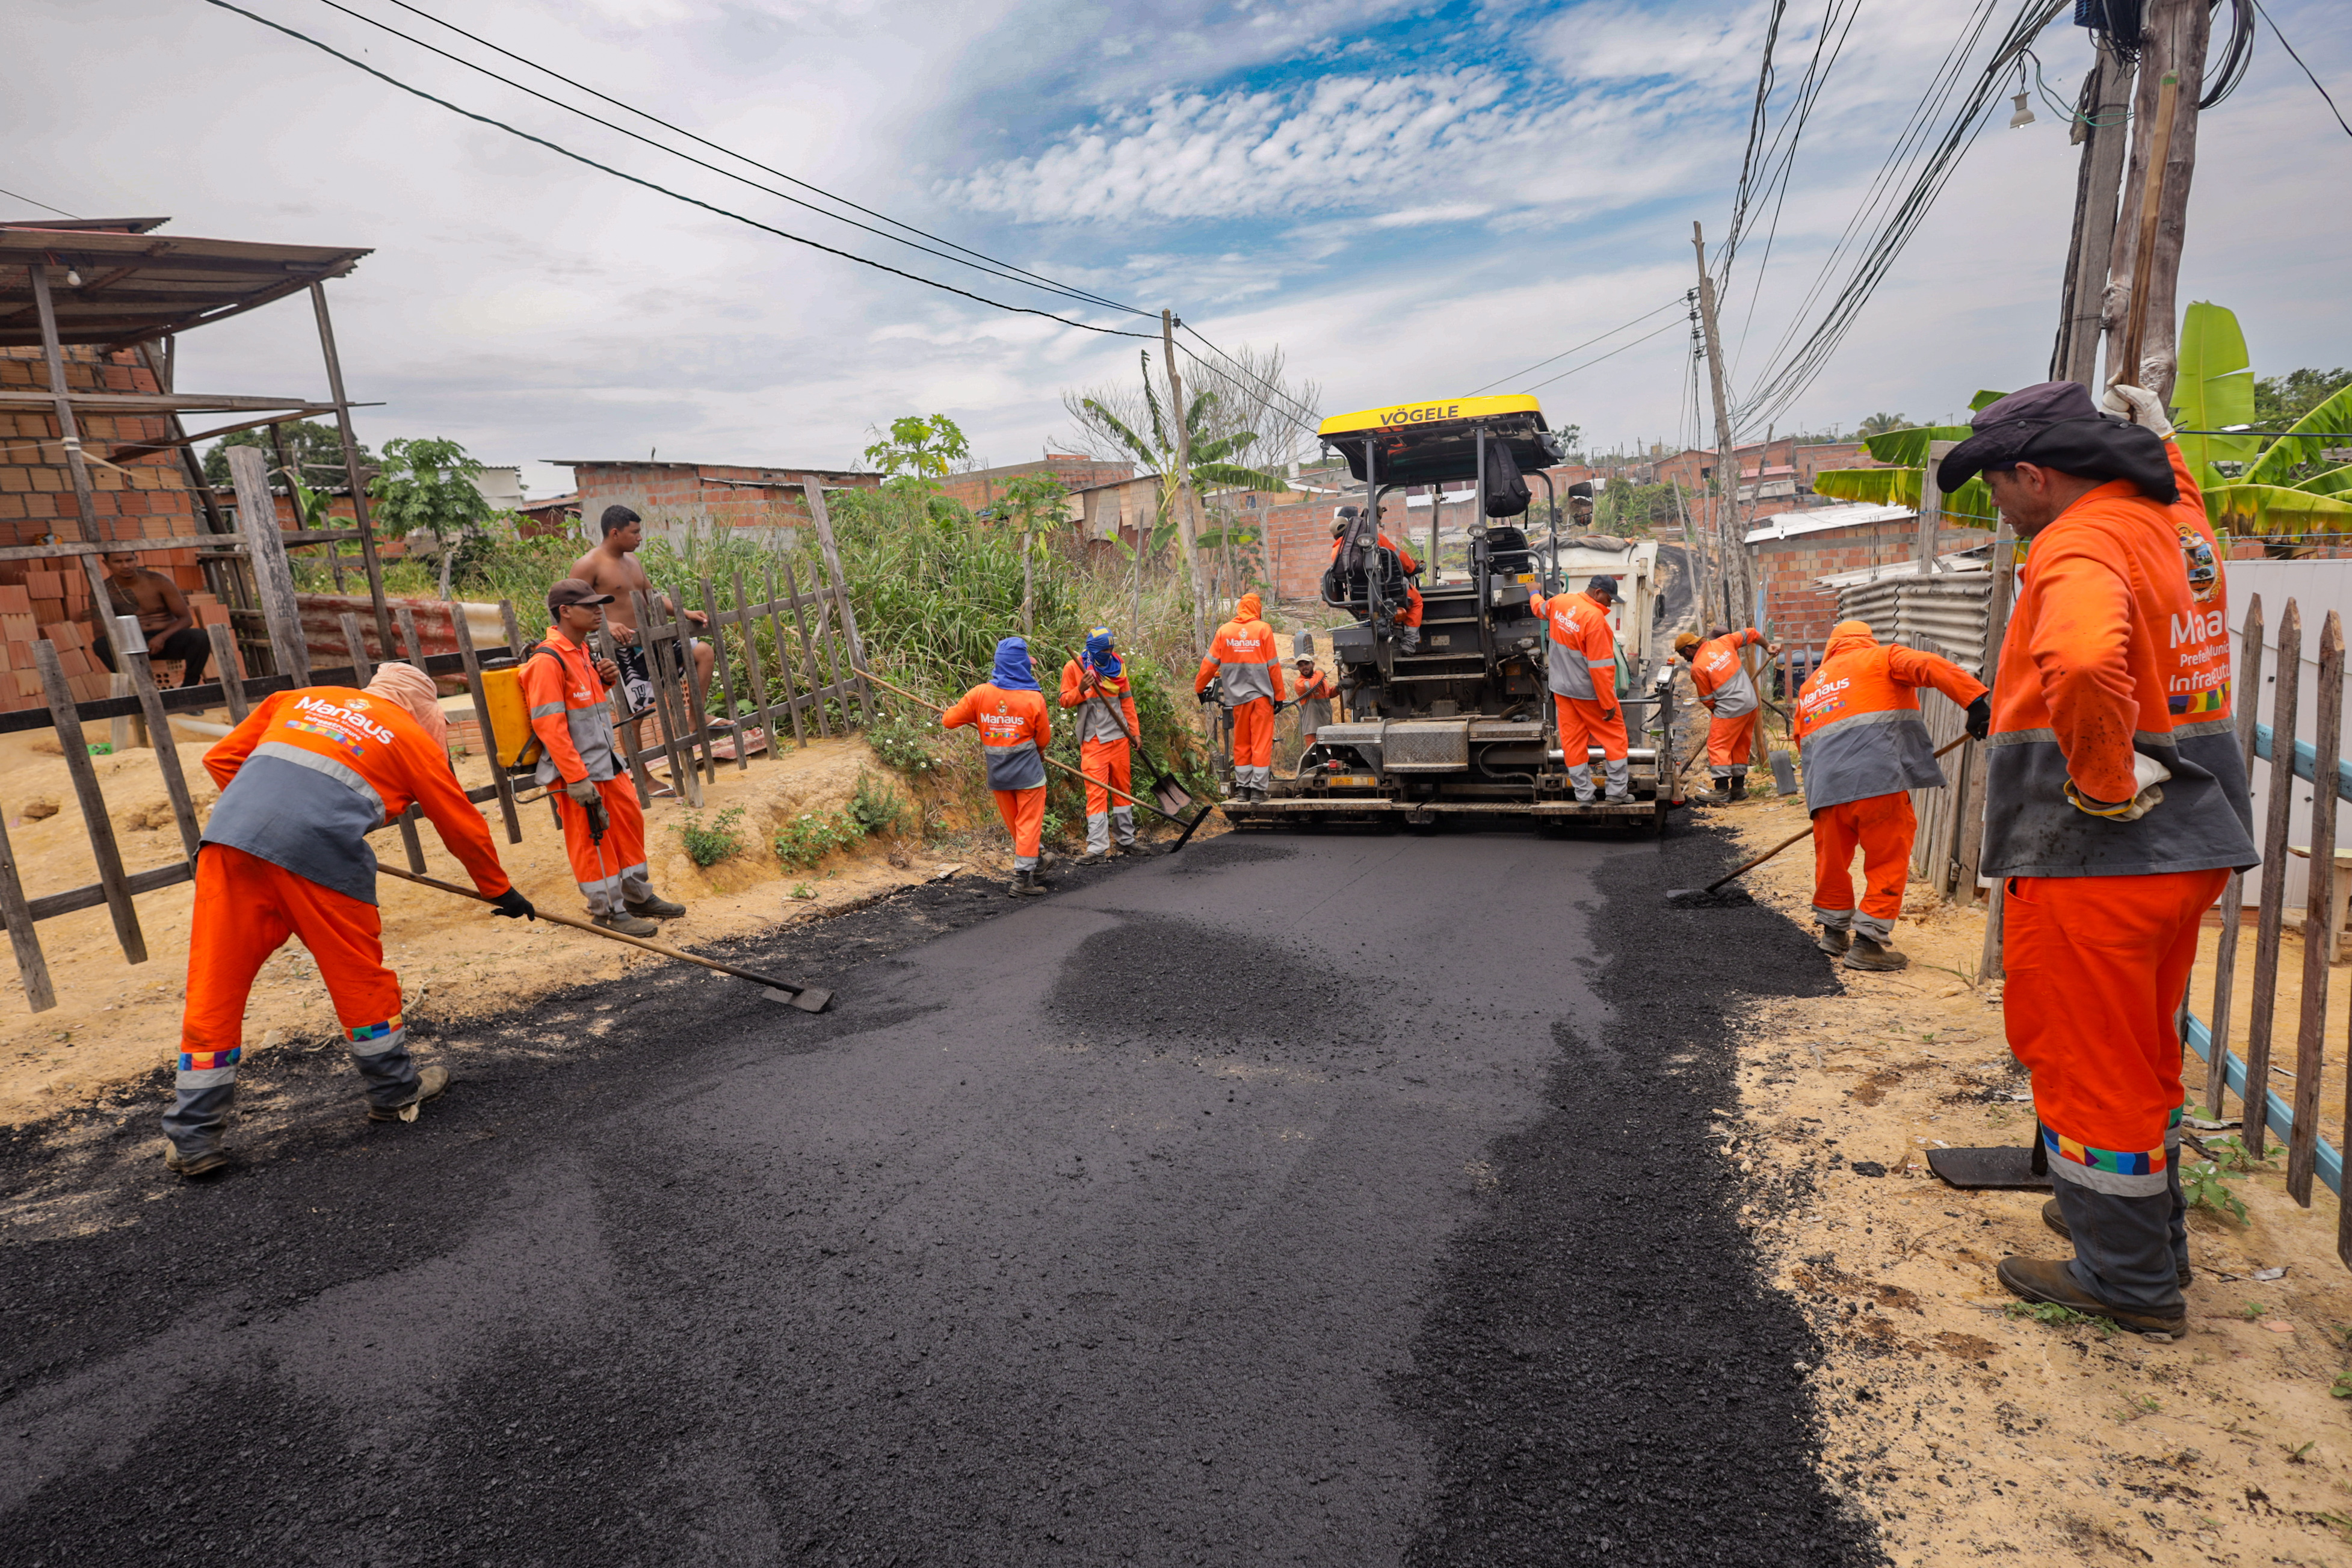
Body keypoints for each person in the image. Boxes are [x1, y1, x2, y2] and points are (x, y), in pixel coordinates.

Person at [1939, 379, 2257, 1338]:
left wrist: (2107, 781)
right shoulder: (2175, 524)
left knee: (2085, 1059)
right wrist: (2161, 439)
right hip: (2188, 843)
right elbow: (2183, 497)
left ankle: (2124, 1278)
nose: (1995, 507)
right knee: (2144, 1047)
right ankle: (2143, 1229)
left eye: (1996, 488)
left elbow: (2081, 663)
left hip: (2103, 858)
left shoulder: (2075, 544)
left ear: (2035, 477)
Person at [160, 661, 534, 1178]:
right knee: (357, 974)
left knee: (214, 986)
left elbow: (222, 757)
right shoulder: (408, 734)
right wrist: (500, 890)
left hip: (230, 844)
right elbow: (460, 824)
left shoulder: (296, 699)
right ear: (422, 709)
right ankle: (393, 1091)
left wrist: (275, 818)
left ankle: (194, 1139)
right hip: (321, 856)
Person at [1792, 620, 1987, 972]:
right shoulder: (1882, 658)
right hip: (1877, 781)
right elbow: (1930, 666)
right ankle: (1868, 943)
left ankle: (1834, 934)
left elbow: (1800, 740)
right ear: (1867, 641)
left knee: (1831, 861)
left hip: (1825, 789)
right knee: (1888, 857)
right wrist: (1975, 701)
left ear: (1833, 647)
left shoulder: (1809, 687)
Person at [523, 578, 689, 936]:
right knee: (593, 839)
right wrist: (576, 778)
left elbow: (583, 707)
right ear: (565, 612)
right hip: (579, 771)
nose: (599, 611)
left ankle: (637, 897)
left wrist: (606, 682)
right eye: (590, 606)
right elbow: (550, 727)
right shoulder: (547, 660)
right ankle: (608, 911)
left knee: (629, 825)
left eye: (600, 604)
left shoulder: (583, 651)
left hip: (606, 762)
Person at [570, 505, 721, 773]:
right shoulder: (588, 564)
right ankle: (642, 776)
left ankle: (695, 719)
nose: (640, 538)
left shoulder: (633, 562)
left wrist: (685, 612)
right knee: (634, 718)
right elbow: (572, 605)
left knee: (704, 653)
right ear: (615, 533)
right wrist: (607, 622)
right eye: (635, 532)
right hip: (620, 650)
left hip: (652, 642)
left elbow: (651, 596)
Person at [945, 637, 1054, 895]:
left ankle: (1036, 859)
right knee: (1028, 823)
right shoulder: (1033, 698)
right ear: (1021, 665)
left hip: (999, 775)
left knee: (1018, 825)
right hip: (1028, 775)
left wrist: (976, 715)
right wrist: (1038, 752)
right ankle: (1023, 880)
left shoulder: (980, 694)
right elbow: (1043, 739)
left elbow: (949, 721)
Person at [1531, 574, 1629, 803]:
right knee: (1616, 738)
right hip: (1589, 693)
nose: (1609, 604)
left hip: (1562, 690)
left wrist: (1533, 592)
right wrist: (1608, 704)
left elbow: (1539, 609)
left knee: (1573, 742)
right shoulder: (1594, 619)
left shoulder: (1560, 602)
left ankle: (1584, 795)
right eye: (1608, 598)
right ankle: (1617, 793)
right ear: (1597, 592)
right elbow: (1600, 669)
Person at [1058, 626, 1142, 862]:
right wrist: (1081, 688)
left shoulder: (1118, 665)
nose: (1109, 653)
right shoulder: (1074, 667)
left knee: (1123, 790)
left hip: (1120, 738)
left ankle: (1126, 840)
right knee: (1096, 793)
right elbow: (1064, 700)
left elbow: (1127, 702)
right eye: (1104, 650)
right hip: (1093, 741)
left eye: (1111, 649)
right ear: (1094, 650)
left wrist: (1135, 733)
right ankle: (1097, 848)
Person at [1195, 592, 1285, 801]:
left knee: (1242, 743)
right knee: (1260, 743)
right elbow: (1273, 666)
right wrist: (1279, 696)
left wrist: (1199, 688)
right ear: (1257, 608)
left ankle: (1243, 790)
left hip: (1237, 699)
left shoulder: (1224, 631)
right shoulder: (1263, 629)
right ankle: (1258, 791)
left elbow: (1209, 664)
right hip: (1261, 698)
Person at [1676, 625, 1780, 803]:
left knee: (1718, 745)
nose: (1685, 659)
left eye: (1683, 655)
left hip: (1730, 709)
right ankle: (1738, 789)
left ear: (1688, 650)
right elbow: (1752, 633)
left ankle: (1722, 790)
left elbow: (1708, 699)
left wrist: (1719, 716)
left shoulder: (1698, 668)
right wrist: (1768, 646)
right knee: (1740, 745)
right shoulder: (1724, 642)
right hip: (1750, 704)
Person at [90, 550, 211, 687]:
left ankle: (190, 686)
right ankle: (137, 687)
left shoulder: (158, 581)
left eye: (129, 560)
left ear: (136, 559)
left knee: (200, 637)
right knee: (101, 645)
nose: (125, 566)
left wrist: (162, 637)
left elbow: (186, 619)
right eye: (118, 562)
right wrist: (130, 644)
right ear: (106, 564)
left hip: (167, 640)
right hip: (132, 645)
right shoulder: (102, 592)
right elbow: (100, 633)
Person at [1330, 509, 1424, 653]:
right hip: (1390, 591)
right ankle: (1410, 642)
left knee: (1363, 608)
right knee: (1416, 600)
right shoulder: (1376, 538)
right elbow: (1401, 559)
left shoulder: (1336, 553)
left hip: (1361, 598)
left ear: (1334, 536)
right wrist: (1413, 567)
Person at [1291, 630, 1335, 750]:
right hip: (1312, 728)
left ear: (1313, 664)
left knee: (1329, 756)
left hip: (1326, 726)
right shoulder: (1300, 683)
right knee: (1314, 758)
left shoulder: (1320, 680)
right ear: (1298, 668)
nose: (1304, 667)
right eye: (1301, 665)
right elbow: (1311, 686)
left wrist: (1340, 688)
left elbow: (1328, 693)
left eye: (1307, 664)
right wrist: (1320, 672)